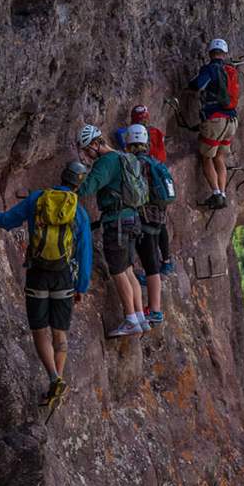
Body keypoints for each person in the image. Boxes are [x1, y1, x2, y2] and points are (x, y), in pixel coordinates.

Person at [0, 161, 93, 407]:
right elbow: (84, 252)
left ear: (61, 176)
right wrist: (81, 286)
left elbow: (7, 221)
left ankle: (54, 377)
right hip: (64, 276)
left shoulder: (38, 199)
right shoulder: (78, 211)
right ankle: (57, 383)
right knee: (60, 332)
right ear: (78, 185)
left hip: (38, 273)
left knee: (39, 330)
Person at [74, 124, 149, 337]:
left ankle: (131, 318)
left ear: (97, 144)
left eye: (88, 149)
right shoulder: (123, 157)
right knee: (127, 269)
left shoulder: (106, 162)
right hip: (132, 218)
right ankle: (139, 317)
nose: (87, 155)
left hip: (117, 222)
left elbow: (88, 188)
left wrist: (75, 178)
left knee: (117, 269)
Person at [124, 124, 174, 328]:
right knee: (152, 264)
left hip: (142, 219)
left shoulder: (135, 163)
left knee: (150, 265)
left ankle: (154, 310)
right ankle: (155, 310)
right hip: (157, 219)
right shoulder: (154, 162)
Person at [188, 38, 239, 209]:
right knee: (220, 157)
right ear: (224, 54)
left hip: (215, 119)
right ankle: (223, 193)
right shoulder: (230, 70)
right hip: (232, 121)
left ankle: (216, 193)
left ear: (210, 52)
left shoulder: (211, 68)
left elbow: (198, 85)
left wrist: (188, 86)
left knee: (207, 157)